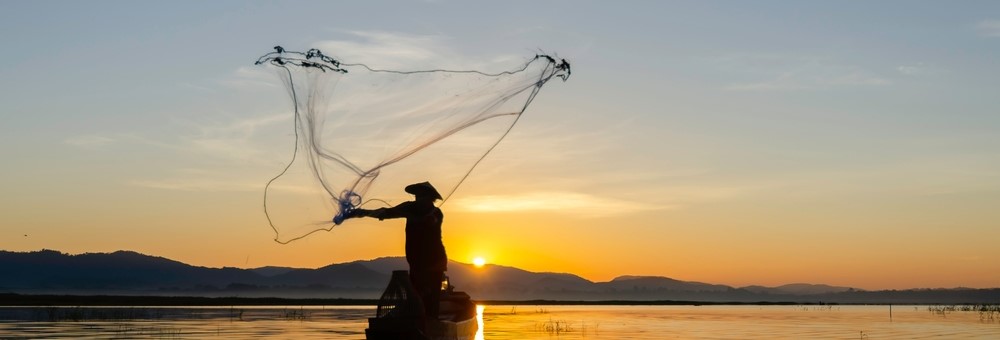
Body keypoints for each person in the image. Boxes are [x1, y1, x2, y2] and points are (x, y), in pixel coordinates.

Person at [347, 181, 447, 320]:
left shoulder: (436, 213)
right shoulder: (409, 207)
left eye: (422, 196)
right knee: (417, 298)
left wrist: (424, 219)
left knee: (430, 300)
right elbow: (386, 213)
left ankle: (432, 326)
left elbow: (433, 221)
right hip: (416, 263)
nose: (418, 199)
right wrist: (360, 213)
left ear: (430, 198)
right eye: (417, 196)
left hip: (434, 263)